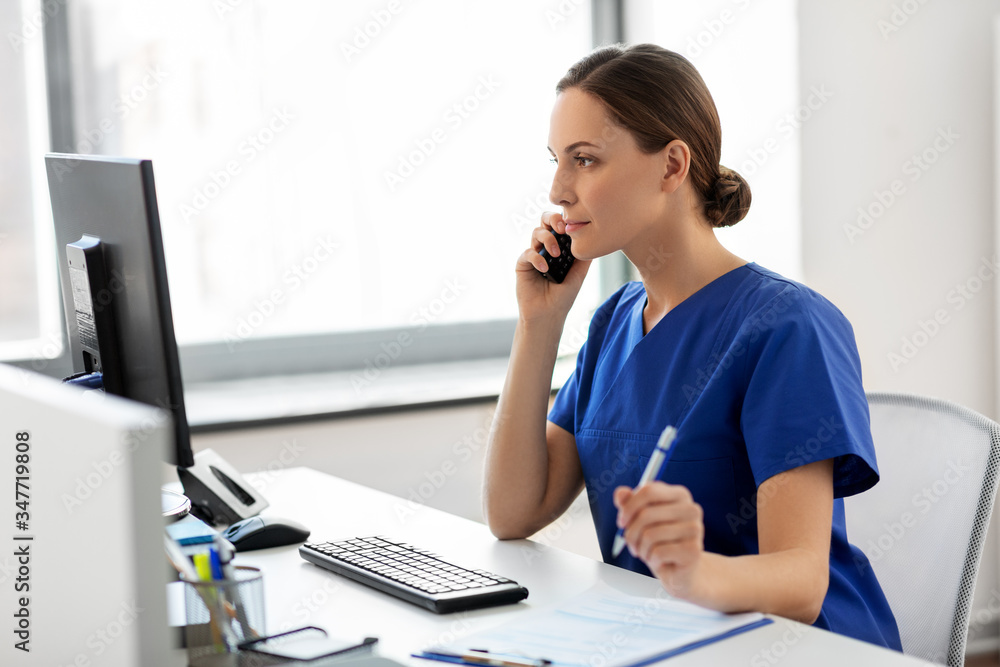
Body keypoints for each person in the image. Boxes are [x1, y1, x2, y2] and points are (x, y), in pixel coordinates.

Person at [483, 43, 901, 651]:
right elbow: (514, 512)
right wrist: (538, 326)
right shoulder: (614, 322)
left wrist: (696, 573)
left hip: (803, 651)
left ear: (672, 165)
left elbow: (803, 582)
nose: (558, 190)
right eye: (557, 161)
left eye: (585, 160)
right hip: (666, 642)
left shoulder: (789, 327)